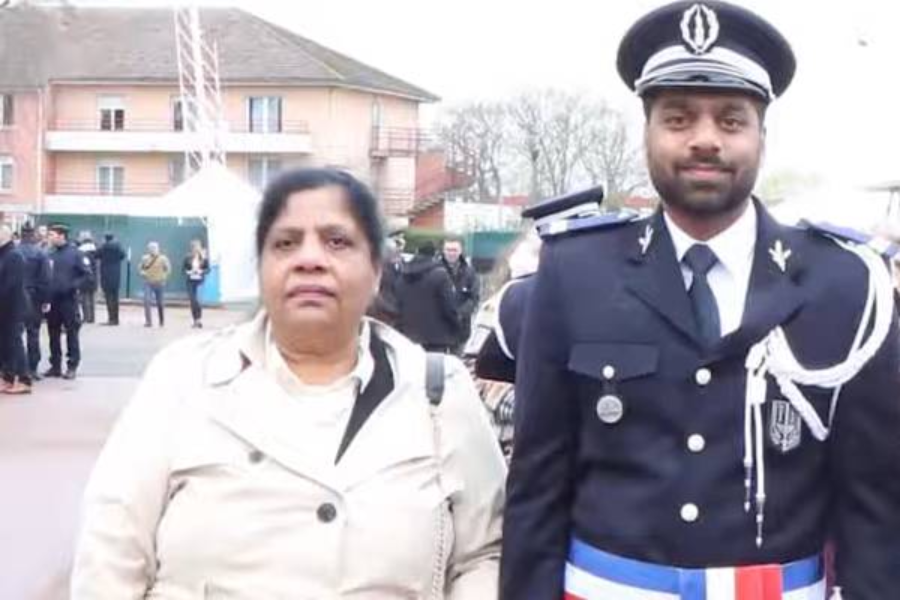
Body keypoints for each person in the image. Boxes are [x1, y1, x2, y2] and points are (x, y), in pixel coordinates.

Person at [501, 3, 900, 600]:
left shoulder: (845, 283)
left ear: (763, 136)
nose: (705, 140)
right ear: (647, 133)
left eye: (732, 120)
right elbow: (536, 488)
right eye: (678, 119)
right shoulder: (575, 272)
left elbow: (875, 505)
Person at [70, 167, 506, 598]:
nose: (309, 259)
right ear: (261, 269)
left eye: (337, 241)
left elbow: (484, 555)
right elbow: (112, 548)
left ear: (376, 271)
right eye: (285, 243)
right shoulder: (184, 377)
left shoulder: (438, 394)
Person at [44, 223, 91, 380]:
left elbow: (87, 275)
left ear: (61, 236)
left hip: (69, 300)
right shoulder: (49, 253)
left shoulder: (76, 254)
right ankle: (55, 365)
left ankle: (72, 365)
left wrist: (72, 286)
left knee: (71, 332)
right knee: (53, 333)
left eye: (52, 235)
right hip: (52, 300)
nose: (49, 238)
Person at [395, 241, 460, 352]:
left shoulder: (403, 276)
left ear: (416, 252)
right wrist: (456, 326)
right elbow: (449, 307)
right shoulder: (440, 275)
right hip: (437, 339)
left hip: (408, 338)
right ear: (435, 254)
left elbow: (397, 304)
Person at [17, 223, 51, 381]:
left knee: (13, 334)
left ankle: (13, 367)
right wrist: (45, 300)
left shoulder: (12, 252)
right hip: (33, 297)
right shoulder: (40, 253)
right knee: (33, 333)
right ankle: (32, 368)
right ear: (33, 235)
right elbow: (45, 279)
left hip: (14, 296)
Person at [0, 224, 31, 394]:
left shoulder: (14, 256)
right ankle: (7, 377)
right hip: (4, 307)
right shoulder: (4, 255)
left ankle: (24, 379)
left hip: (13, 307)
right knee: (4, 344)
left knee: (14, 343)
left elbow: (11, 285)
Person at [441, 239, 480, 352]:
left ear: (460, 251)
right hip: (439, 329)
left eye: (454, 250)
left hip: (461, 330)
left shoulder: (470, 272)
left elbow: (474, 298)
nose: (451, 253)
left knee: (457, 360)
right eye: (448, 250)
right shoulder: (435, 270)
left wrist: (459, 314)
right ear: (443, 251)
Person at [96, 232, 126, 326]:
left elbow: (96, 255)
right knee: (115, 298)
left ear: (105, 238)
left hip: (106, 275)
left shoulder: (103, 247)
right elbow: (123, 255)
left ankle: (111, 319)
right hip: (116, 275)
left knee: (108, 298)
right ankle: (116, 319)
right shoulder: (118, 246)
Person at [139, 241, 170, 327]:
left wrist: (164, 277)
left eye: (154, 248)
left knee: (160, 302)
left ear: (158, 249)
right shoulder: (145, 258)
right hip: (148, 282)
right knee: (147, 301)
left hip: (159, 283)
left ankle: (161, 320)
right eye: (151, 248)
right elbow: (141, 268)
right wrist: (142, 272)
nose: (152, 250)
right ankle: (148, 321)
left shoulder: (163, 259)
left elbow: (168, 269)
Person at [182, 239, 210, 328]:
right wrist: (189, 272)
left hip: (199, 281)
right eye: (194, 247)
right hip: (190, 282)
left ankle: (199, 319)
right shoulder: (187, 257)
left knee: (198, 300)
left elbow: (208, 269)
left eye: (197, 247)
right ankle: (195, 320)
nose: (196, 249)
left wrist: (201, 271)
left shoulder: (203, 258)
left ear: (200, 248)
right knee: (193, 301)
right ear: (191, 248)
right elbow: (183, 270)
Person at [76, 230, 99, 324]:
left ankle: (86, 317)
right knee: (91, 298)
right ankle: (92, 318)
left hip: (85, 277)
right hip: (94, 276)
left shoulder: (81, 252)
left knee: (84, 298)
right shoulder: (95, 250)